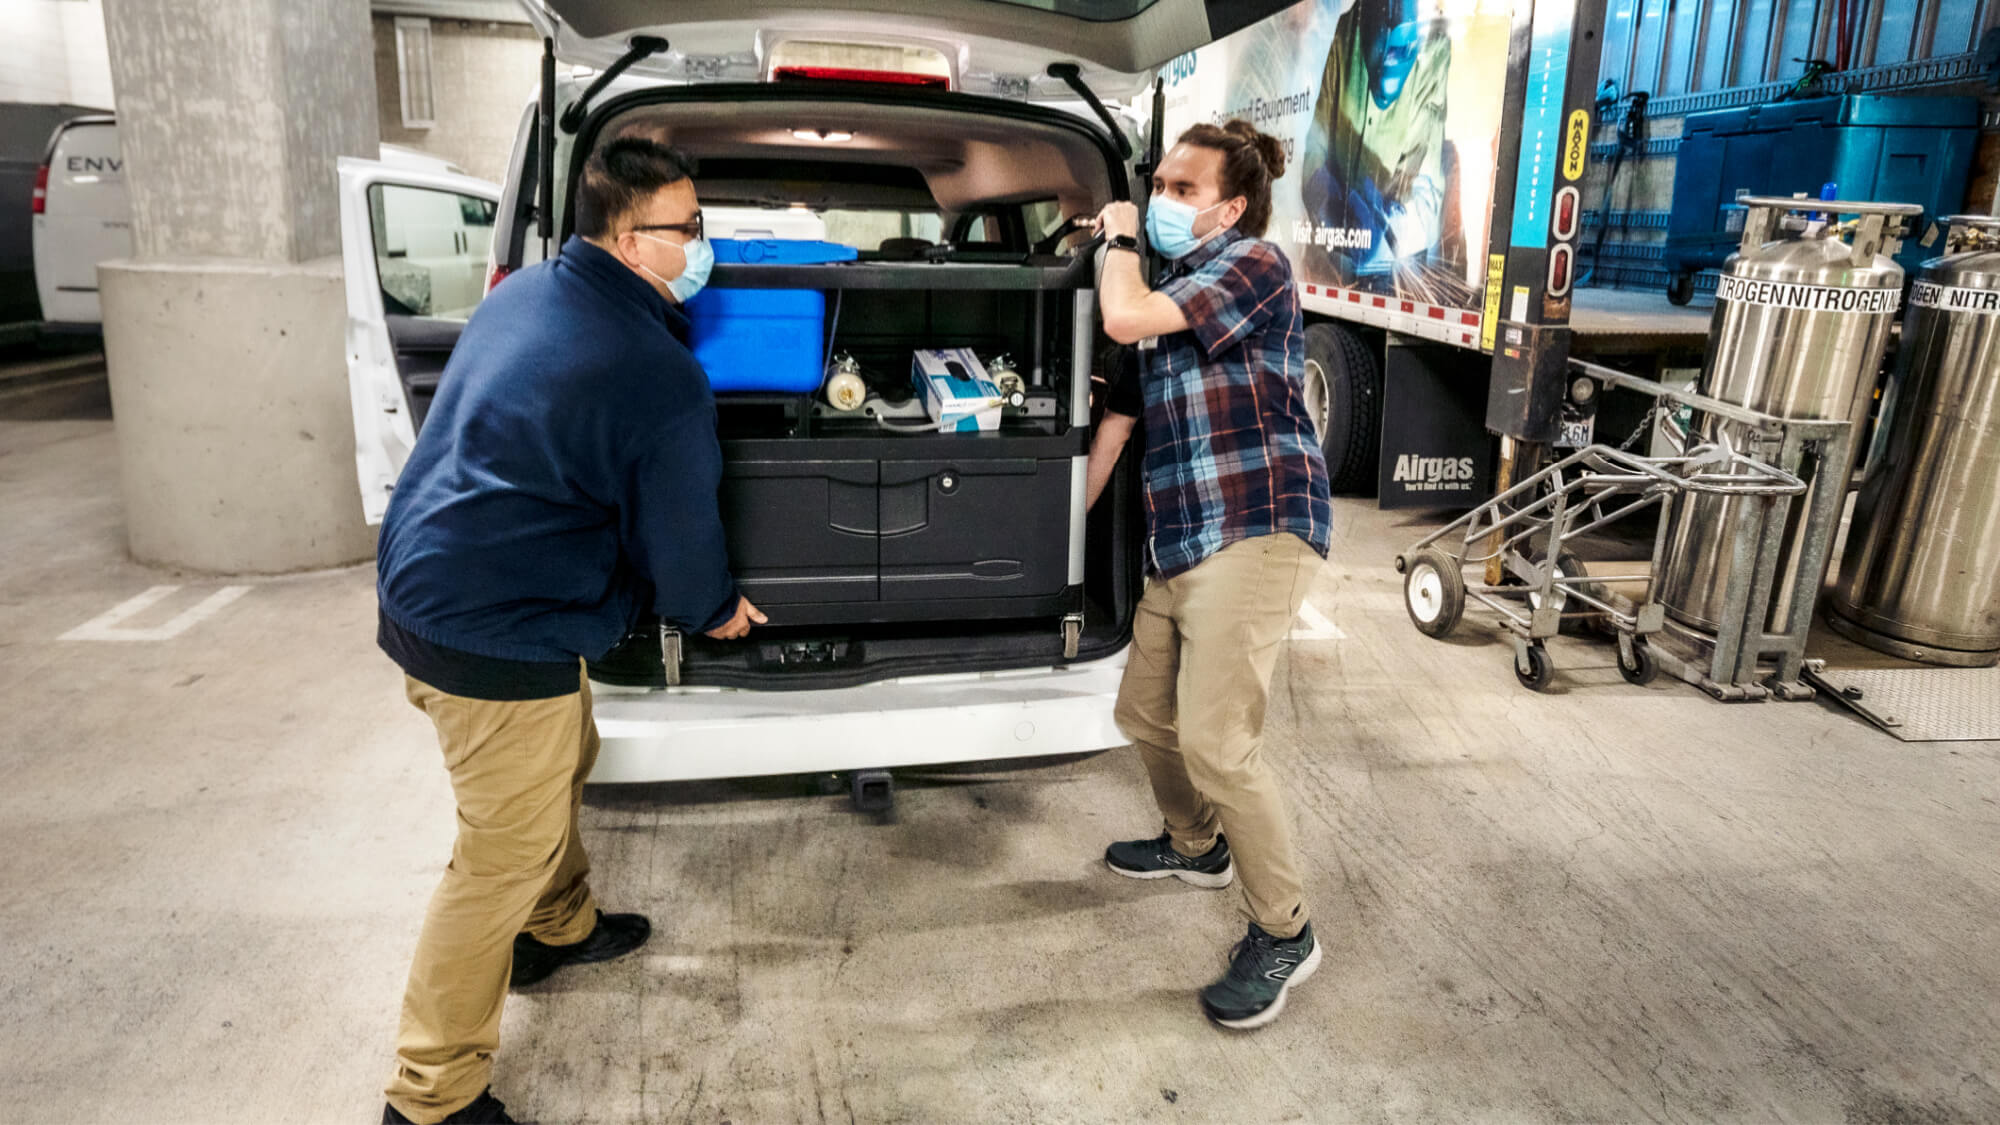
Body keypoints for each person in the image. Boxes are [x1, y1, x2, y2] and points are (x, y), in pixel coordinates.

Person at [375, 137, 764, 1125]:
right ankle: (431, 1095)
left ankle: (558, 927)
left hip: (440, 587)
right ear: (634, 241)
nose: (704, 244)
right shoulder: (649, 365)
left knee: (565, 753)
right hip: (491, 625)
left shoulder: (528, 293)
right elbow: (680, 540)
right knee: (493, 861)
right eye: (691, 228)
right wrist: (714, 609)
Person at [1087, 119, 1333, 1030]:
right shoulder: (1172, 287)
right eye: (1158, 184)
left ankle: (1287, 931)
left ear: (1230, 206)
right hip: (1184, 540)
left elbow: (1122, 314)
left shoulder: (1255, 265)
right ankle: (1198, 846)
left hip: (1260, 524)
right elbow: (1118, 421)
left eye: (1182, 190)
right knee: (1145, 714)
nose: (1160, 200)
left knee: (1219, 744)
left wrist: (1115, 237)